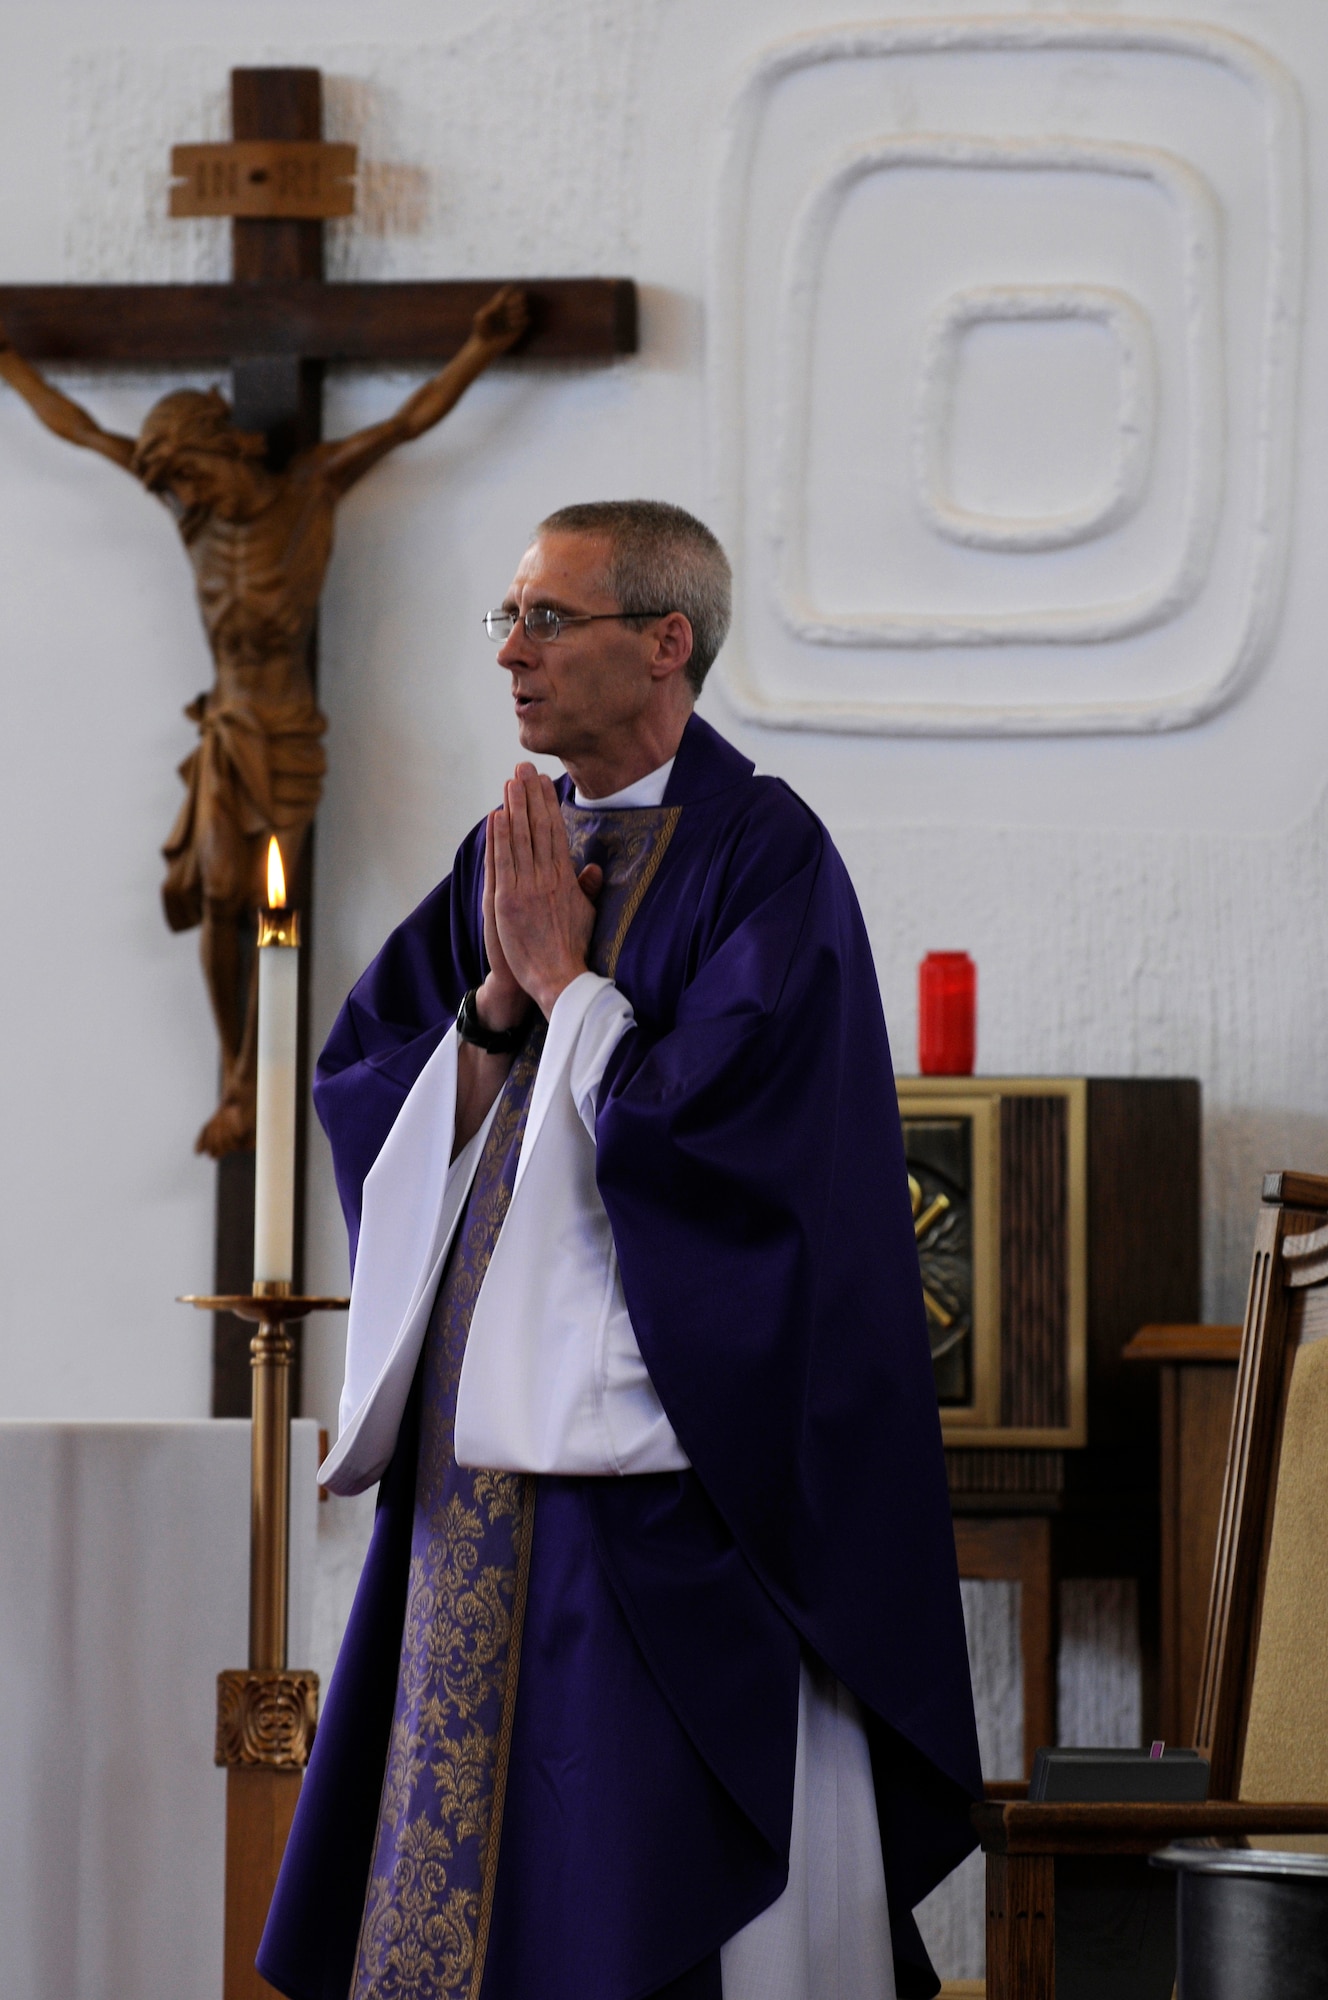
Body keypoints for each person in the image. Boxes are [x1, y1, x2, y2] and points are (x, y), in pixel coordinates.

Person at [259, 500, 981, 2000]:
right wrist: (500, 1014)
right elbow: (373, 1073)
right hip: (477, 1474)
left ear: (666, 643)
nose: (511, 653)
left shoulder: (764, 854)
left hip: (667, 1481)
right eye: (506, 620)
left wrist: (570, 985)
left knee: (625, 1871)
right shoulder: (510, 843)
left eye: (547, 619)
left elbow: (743, 1144)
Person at [0, 286, 528, 1154]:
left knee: (266, 908)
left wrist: (477, 348)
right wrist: (14, 366)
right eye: (170, 481)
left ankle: (261, 1068)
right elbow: (85, 435)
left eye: (186, 471)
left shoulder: (311, 488)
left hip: (284, 735)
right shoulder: (193, 518)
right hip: (225, 730)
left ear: (220, 447)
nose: (178, 489)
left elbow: (406, 424)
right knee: (216, 894)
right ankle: (237, 1070)